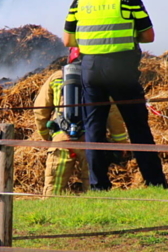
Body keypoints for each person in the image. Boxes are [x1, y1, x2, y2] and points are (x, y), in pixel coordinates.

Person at [62, 0, 168, 190]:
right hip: (121, 69)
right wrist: (129, 36)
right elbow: (149, 36)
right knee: (137, 126)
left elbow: (68, 39)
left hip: (90, 69)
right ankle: (154, 182)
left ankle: (99, 185)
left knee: (94, 128)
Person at [34, 48, 130, 196]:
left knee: (53, 189)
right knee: (92, 188)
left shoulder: (56, 77)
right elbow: (113, 114)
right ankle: (94, 217)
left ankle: (48, 217)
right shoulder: (100, 79)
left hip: (61, 140)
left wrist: (46, 136)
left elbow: (40, 110)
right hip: (90, 141)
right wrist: (121, 142)